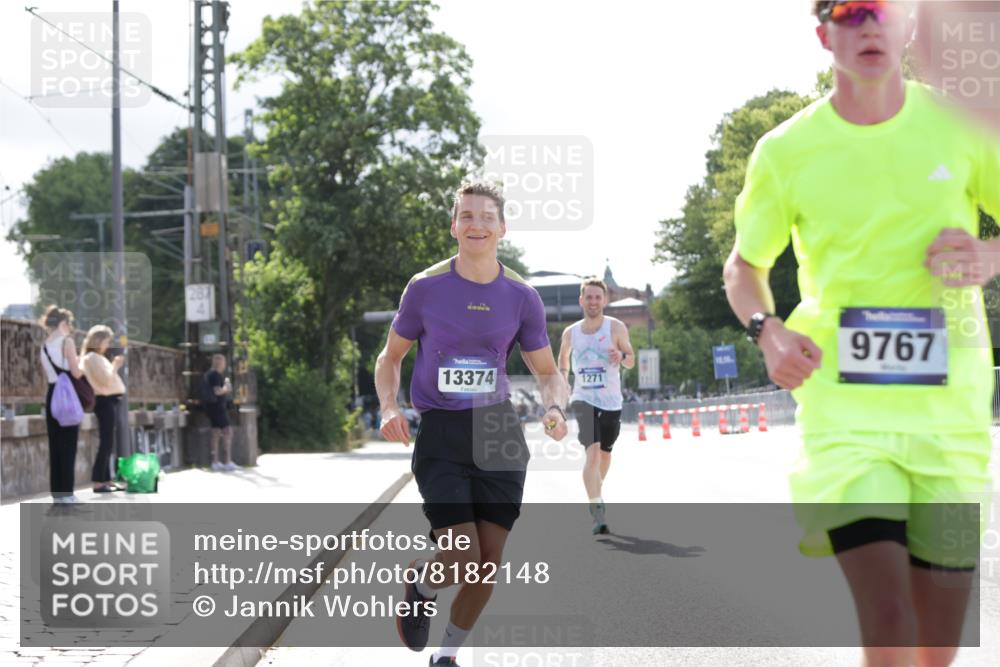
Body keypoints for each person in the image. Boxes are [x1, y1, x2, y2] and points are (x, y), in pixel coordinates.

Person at [723, 2, 1000, 665]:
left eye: (882, 9)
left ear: (908, 27)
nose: (869, 24)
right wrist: (768, 330)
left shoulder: (964, 125)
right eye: (849, 12)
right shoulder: (786, 150)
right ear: (824, 34)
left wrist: (989, 255)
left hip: (951, 419)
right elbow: (744, 267)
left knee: (938, 643)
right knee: (887, 615)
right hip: (845, 416)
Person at [375, 181, 569, 666]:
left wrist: (555, 408)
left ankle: (446, 656)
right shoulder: (425, 288)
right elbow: (390, 357)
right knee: (463, 558)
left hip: (499, 431)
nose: (476, 224)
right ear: (453, 226)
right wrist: (389, 407)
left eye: (486, 217)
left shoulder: (522, 296)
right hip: (442, 432)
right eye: (467, 216)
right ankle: (422, 584)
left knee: (487, 566)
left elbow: (548, 372)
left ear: (502, 228)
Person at [557, 277, 635, 534]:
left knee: (605, 453)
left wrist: (621, 355)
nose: (593, 301)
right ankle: (597, 506)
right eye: (588, 297)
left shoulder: (616, 327)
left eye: (597, 297)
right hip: (583, 398)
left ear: (604, 300)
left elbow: (631, 360)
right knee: (592, 453)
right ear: (581, 300)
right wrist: (563, 381)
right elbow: (563, 360)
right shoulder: (571, 332)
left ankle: (596, 488)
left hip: (611, 400)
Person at [38, 305, 84, 504]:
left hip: (52, 395)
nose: (70, 328)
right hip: (66, 396)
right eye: (69, 324)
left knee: (55, 445)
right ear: (64, 323)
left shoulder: (44, 345)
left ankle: (57, 494)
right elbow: (76, 373)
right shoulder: (67, 341)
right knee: (69, 444)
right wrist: (81, 364)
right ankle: (67, 493)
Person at [80, 325, 125, 493]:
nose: (107, 345)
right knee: (106, 442)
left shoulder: (96, 357)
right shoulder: (92, 358)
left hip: (107, 401)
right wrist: (115, 365)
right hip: (104, 401)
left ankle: (105, 479)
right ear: (98, 341)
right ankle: (99, 481)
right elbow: (105, 380)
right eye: (106, 341)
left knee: (108, 441)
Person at [204, 354, 237, 471]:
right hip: (218, 409)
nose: (224, 365)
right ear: (220, 363)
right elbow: (217, 391)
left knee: (216, 433)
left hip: (212, 408)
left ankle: (215, 462)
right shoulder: (215, 375)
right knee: (227, 431)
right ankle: (227, 461)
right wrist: (226, 388)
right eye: (223, 362)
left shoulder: (209, 374)